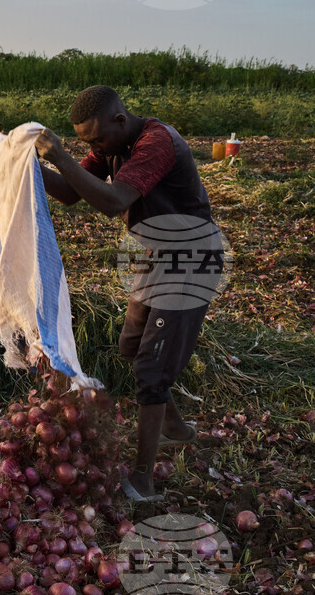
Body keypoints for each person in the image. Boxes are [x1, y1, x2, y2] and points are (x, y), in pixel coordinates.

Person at [35, 85, 210, 502]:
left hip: (188, 258)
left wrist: (60, 156)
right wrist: (23, 165)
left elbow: (114, 202)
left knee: (151, 366)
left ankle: (143, 479)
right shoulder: (111, 143)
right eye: (85, 143)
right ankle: (176, 429)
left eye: (95, 140)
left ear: (119, 120)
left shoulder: (156, 142)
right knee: (132, 346)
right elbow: (73, 192)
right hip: (155, 255)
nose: (92, 148)